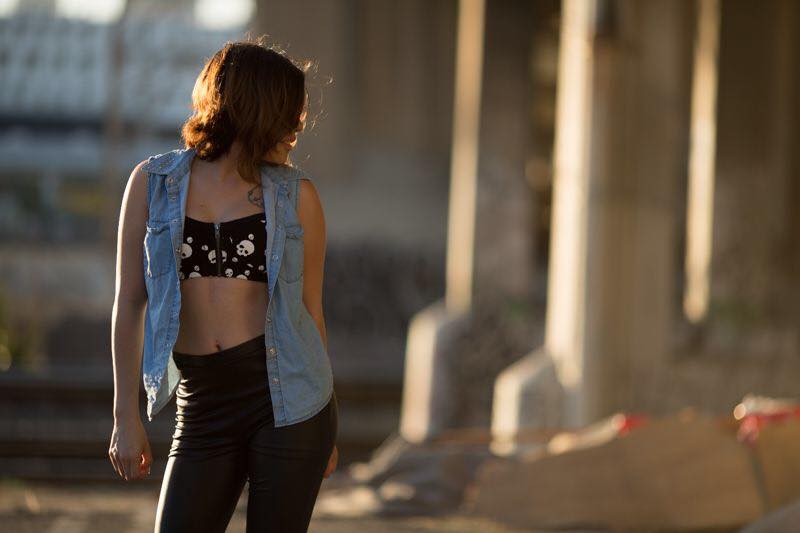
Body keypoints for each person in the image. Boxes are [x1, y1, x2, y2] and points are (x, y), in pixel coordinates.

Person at [108, 37, 339, 532]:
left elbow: (310, 311)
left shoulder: (298, 197)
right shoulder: (152, 183)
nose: (298, 125)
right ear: (259, 107)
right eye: (290, 110)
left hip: (288, 400)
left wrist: (322, 412)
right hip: (202, 403)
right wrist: (125, 415)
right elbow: (129, 302)